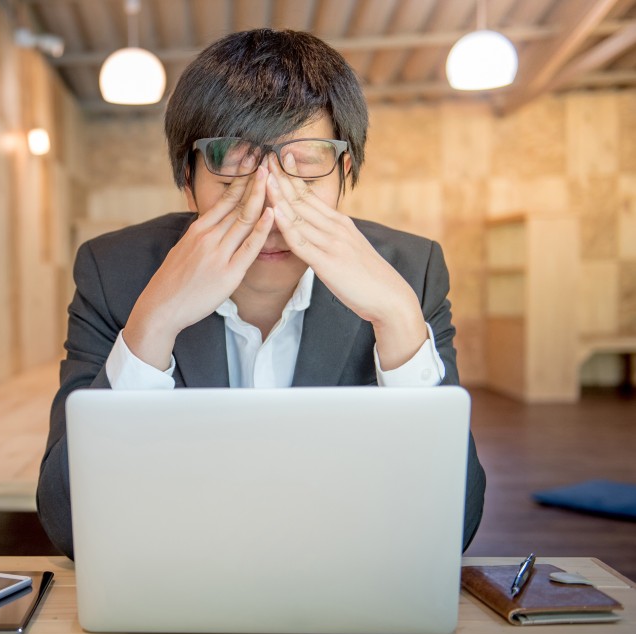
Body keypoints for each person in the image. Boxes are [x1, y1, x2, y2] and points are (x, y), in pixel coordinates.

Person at [37, 29, 485, 559]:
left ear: (345, 173)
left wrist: (400, 323)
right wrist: (152, 325)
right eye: (233, 161)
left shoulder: (412, 273)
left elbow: (453, 528)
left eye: (307, 160)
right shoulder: (116, 272)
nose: (270, 209)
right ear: (188, 181)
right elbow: (68, 525)